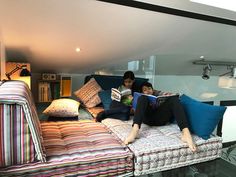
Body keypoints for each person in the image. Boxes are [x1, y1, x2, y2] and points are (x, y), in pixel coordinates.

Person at [124, 81, 197, 152]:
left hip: (160, 119)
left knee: (174, 99)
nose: (148, 91)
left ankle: (186, 133)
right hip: (147, 118)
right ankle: (135, 131)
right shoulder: (142, 97)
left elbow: (167, 95)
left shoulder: (157, 94)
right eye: (145, 90)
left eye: (149, 88)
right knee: (143, 98)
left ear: (153, 89)